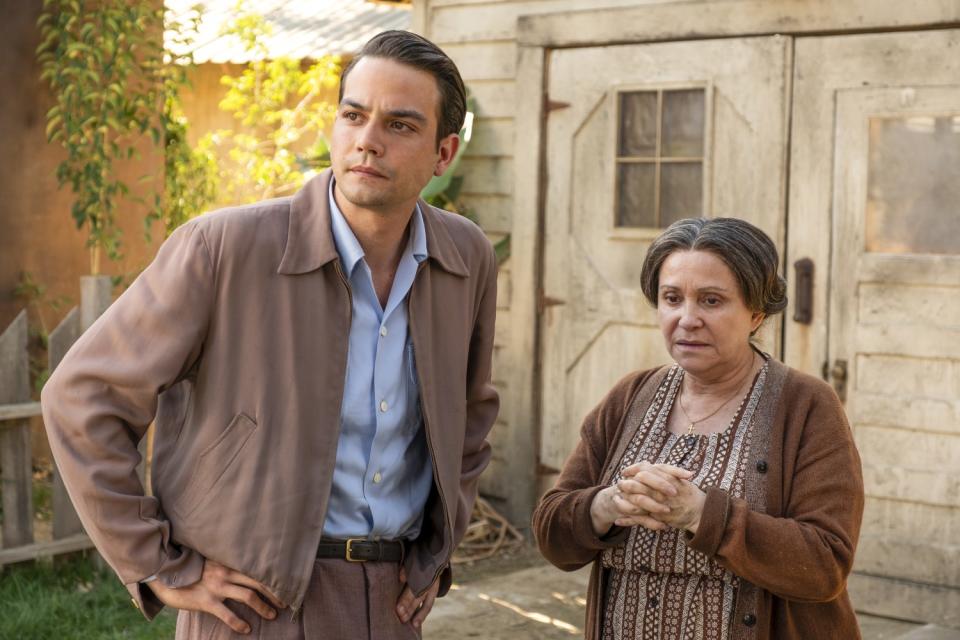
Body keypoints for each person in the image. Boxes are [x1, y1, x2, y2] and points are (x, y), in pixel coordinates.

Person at [41, 30, 499, 639]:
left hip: (393, 604)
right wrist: (155, 564)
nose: (367, 140)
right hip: (250, 610)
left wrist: (434, 557)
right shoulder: (224, 247)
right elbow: (81, 396)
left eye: (400, 125)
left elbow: (470, 415)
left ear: (443, 154)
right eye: (353, 115)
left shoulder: (465, 256)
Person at [532, 218, 864, 640]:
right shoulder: (630, 396)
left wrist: (700, 513)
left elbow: (825, 566)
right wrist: (608, 505)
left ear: (755, 313)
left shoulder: (805, 407)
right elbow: (551, 534)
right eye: (672, 298)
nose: (687, 319)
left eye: (711, 300)